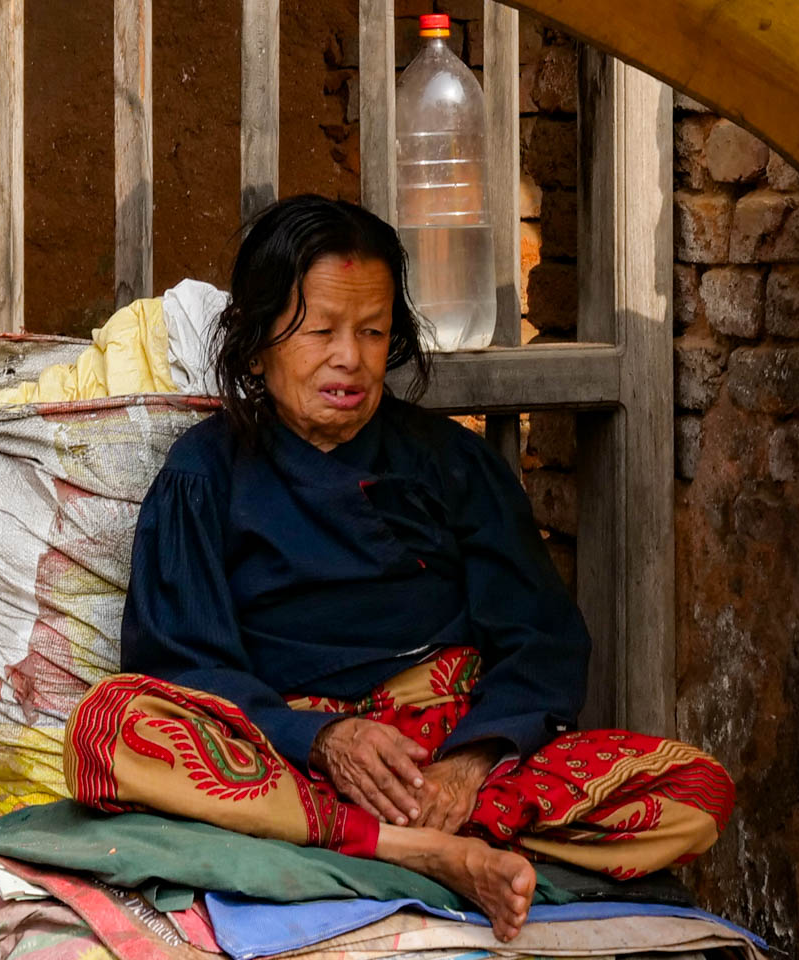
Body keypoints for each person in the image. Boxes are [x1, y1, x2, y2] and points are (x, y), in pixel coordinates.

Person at [64, 195, 733, 941]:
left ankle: (383, 847)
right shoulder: (204, 476)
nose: (349, 358)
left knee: (694, 788)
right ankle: (434, 859)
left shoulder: (453, 465)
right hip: (291, 760)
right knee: (111, 727)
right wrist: (323, 740)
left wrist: (469, 762)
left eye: (373, 331)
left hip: (445, 763)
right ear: (256, 344)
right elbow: (180, 665)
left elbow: (541, 641)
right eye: (320, 331)